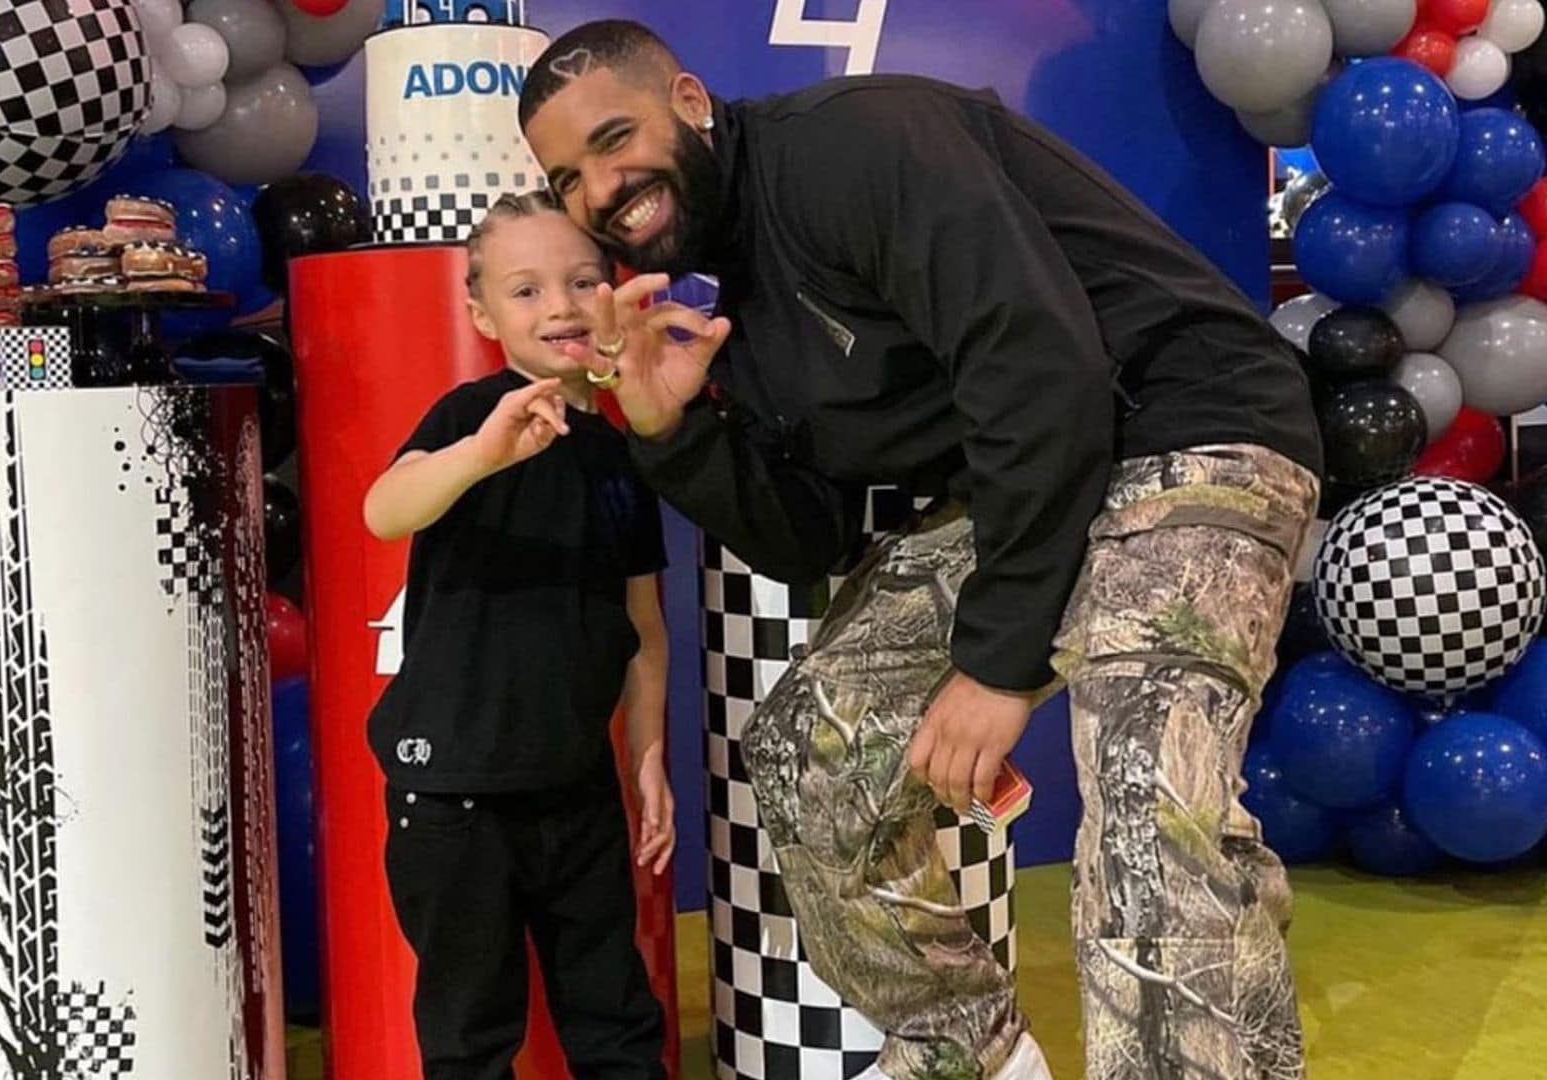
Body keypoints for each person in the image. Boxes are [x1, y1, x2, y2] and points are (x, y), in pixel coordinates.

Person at [517, 20, 1323, 1080]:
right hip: (1023, 478)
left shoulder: (856, 143)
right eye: (567, 178)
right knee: (811, 750)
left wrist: (997, 662)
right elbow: (809, 536)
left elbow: (1037, 365)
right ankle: (968, 1055)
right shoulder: (733, 304)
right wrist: (675, 432)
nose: (601, 190)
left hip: (1192, 425)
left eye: (616, 138)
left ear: (690, 99)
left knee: (1145, 788)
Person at [362, 191, 674, 1080]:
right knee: (469, 1038)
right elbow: (384, 509)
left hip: (576, 792)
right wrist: (483, 456)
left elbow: (641, 626)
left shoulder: (622, 451)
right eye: (527, 290)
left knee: (617, 1023)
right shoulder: (470, 417)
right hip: (450, 798)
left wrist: (644, 756)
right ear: (482, 312)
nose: (563, 308)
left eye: (582, 281)